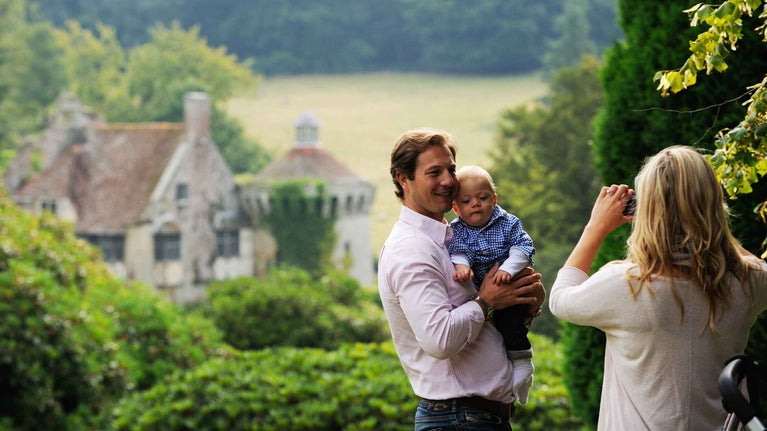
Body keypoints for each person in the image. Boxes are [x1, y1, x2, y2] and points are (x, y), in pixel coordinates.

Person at [548, 146, 767, 430]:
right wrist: (712, 225)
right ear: (714, 204)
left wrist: (595, 227)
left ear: (647, 211)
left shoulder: (625, 284)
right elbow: (743, 261)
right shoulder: (748, 281)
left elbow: (560, 298)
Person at [378, 128, 545, 431]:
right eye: (434, 172)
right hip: (458, 418)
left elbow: (483, 326)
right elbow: (440, 340)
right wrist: (487, 301)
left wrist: (523, 303)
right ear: (404, 179)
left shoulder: (454, 237)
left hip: (477, 418)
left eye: (451, 169)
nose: (447, 181)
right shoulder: (411, 249)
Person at [447, 165, 537, 405]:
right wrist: (461, 266)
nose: (475, 204)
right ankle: (516, 377)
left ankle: (523, 361)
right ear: (456, 207)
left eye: (482, 197)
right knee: (490, 333)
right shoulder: (456, 230)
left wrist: (509, 268)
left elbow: (523, 248)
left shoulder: (508, 222)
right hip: (483, 293)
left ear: (494, 199)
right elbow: (458, 252)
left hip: (512, 282)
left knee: (510, 324)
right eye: (466, 201)